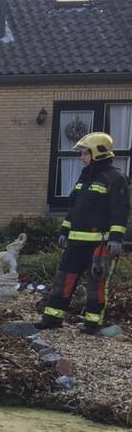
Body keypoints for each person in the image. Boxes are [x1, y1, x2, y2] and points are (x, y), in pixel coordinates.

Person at [36, 132, 129, 333]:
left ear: (98, 153)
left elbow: (120, 211)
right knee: (63, 279)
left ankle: (92, 324)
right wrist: (64, 230)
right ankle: (52, 319)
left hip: (100, 244)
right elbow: (75, 208)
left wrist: (116, 238)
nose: (81, 157)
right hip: (75, 243)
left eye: (85, 153)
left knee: (97, 285)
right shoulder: (85, 178)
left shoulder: (115, 178)